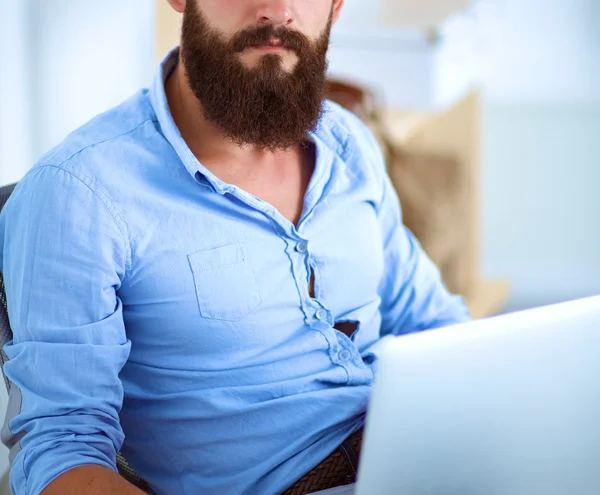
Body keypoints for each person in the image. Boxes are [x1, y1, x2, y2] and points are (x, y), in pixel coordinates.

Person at [0, 0, 470, 494]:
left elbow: (432, 323)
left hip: (421, 452)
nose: (278, 10)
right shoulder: (80, 192)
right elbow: (61, 448)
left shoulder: (346, 142)